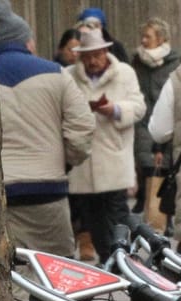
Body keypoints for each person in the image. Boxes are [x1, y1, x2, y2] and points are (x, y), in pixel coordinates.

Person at [0, 0, 93, 259]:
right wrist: (66, 161)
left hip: (0, 191)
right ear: (26, 41)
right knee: (58, 272)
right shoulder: (56, 73)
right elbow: (82, 130)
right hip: (48, 190)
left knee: (12, 273)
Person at [66, 26, 145, 256]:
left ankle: (126, 259)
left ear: (105, 52)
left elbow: (139, 107)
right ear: (80, 56)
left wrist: (116, 109)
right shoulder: (68, 76)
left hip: (114, 158)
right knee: (93, 219)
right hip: (84, 163)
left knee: (118, 214)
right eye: (88, 56)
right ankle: (109, 259)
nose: (93, 61)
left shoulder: (125, 73)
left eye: (97, 55)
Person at [131, 19, 178, 217]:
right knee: (150, 168)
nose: (143, 40)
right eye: (142, 36)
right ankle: (152, 212)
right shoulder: (136, 62)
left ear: (161, 39)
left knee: (167, 174)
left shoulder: (175, 64)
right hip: (143, 123)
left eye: (148, 36)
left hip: (168, 125)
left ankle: (162, 216)